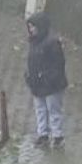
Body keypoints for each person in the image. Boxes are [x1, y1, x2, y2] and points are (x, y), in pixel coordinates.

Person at [25, 12, 68, 149]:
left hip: (51, 84)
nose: (31, 30)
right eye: (30, 27)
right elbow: (31, 62)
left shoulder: (52, 43)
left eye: (33, 27)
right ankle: (43, 135)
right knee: (40, 110)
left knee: (53, 110)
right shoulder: (34, 42)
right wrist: (29, 76)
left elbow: (58, 64)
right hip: (37, 84)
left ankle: (57, 136)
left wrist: (48, 78)